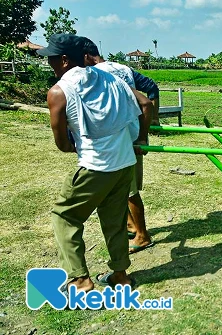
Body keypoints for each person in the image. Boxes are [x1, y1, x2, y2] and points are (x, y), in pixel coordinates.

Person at [40, 33, 152, 291]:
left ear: (65, 60)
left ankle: (80, 280)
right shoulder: (110, 76)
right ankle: (120, 275)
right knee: (114, 221)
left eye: (52, 59)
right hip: (124, 163)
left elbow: (62, 144)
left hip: (96, 166)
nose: (50, 64)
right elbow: (143, 102)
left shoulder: (59, 91)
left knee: (64, 215)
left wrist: (73, 146)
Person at [81, 38, 156, 254]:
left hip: (123, 136)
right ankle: (132, 226)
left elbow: (144, 102)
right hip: (132, 130)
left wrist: (140, 138)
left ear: (86, 57)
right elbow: (151, 89)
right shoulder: (121, 67)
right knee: (119, 187)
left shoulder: (98, 75)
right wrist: (145, 132)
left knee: (129, 189)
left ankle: (142, 236)